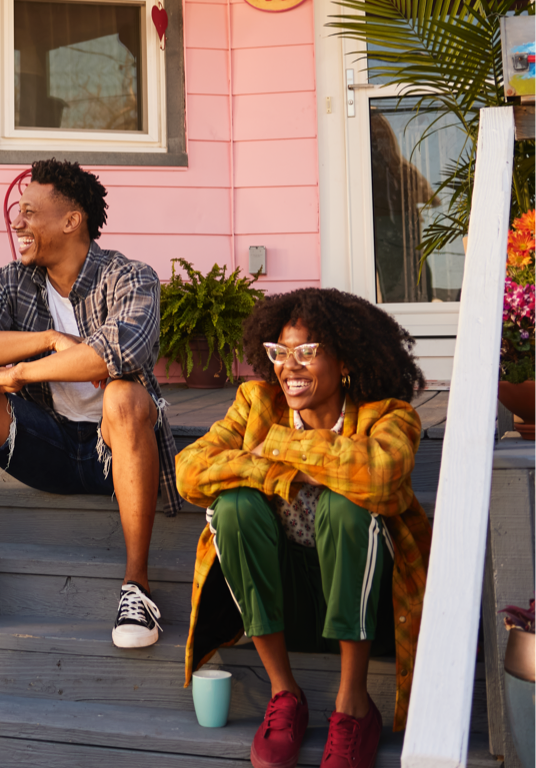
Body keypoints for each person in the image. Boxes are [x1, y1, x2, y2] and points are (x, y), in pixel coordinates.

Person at [0, 158, 181, 648]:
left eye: (30, 211)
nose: (17, 221)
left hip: (115, 451)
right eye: (18, 211)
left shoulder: (129, 277)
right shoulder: (12, 282)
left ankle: (137, 589)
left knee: (123, 395)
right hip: (50, 444)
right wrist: (45, 337)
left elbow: (118, 353)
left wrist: (21, 371)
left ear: (71, 220)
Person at [177, 288, 431, 768]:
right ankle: (284, 694)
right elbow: (189, 471)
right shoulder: (256, 402)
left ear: (346, 360)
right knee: (233, 508)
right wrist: (275, 473)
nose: (288, 367)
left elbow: (380, 473)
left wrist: (274, 448)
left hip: (365, 596)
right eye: (279, 352)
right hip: (283, 590)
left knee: (347, 507)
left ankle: (354, 705)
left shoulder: (388, 415)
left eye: (307, 353)